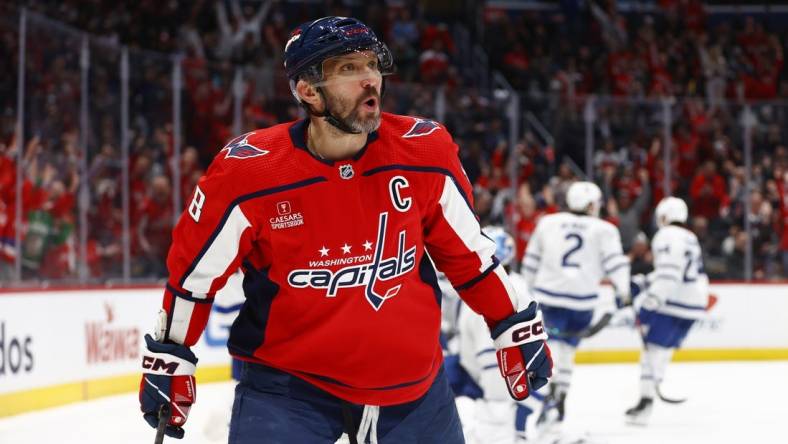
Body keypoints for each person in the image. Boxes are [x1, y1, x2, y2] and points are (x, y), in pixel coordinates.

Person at [137, 16, 552, 444]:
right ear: (308, 91)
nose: (370, 79)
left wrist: (511, 322)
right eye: (348, 69)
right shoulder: (249, 171)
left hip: (411, 389)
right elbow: (193, 278)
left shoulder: (426, 151)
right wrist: (171, 357)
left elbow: (470, 259)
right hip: (288, 390)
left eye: (372, 65)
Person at [521, 181, 630, 427]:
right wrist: (624, 293)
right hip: (582, 303)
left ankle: (547, 395)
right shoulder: (605, 229)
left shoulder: (547, 223)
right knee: (568, 350)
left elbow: (530, 261)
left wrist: (523, 291)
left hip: (548, 297)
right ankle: (560, 396)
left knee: (550, 350)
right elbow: (615, 264)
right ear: (592, 204)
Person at [453, 225, 544, 444]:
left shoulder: (490, 293)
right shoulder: (518, 284)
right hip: (519, 382)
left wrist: (496, 403)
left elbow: (493, 359)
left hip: (501, 390)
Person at [626, 197, 709, 425]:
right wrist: (644, 282)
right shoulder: (689, 237)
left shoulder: (666, 235)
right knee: (661, 350)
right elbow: (675, 272)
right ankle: (649, 394)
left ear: (663, 217)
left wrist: (649, 304)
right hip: (695, 304)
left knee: (650, 352)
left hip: (674, 302)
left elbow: (669, 276)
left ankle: (645, 403)